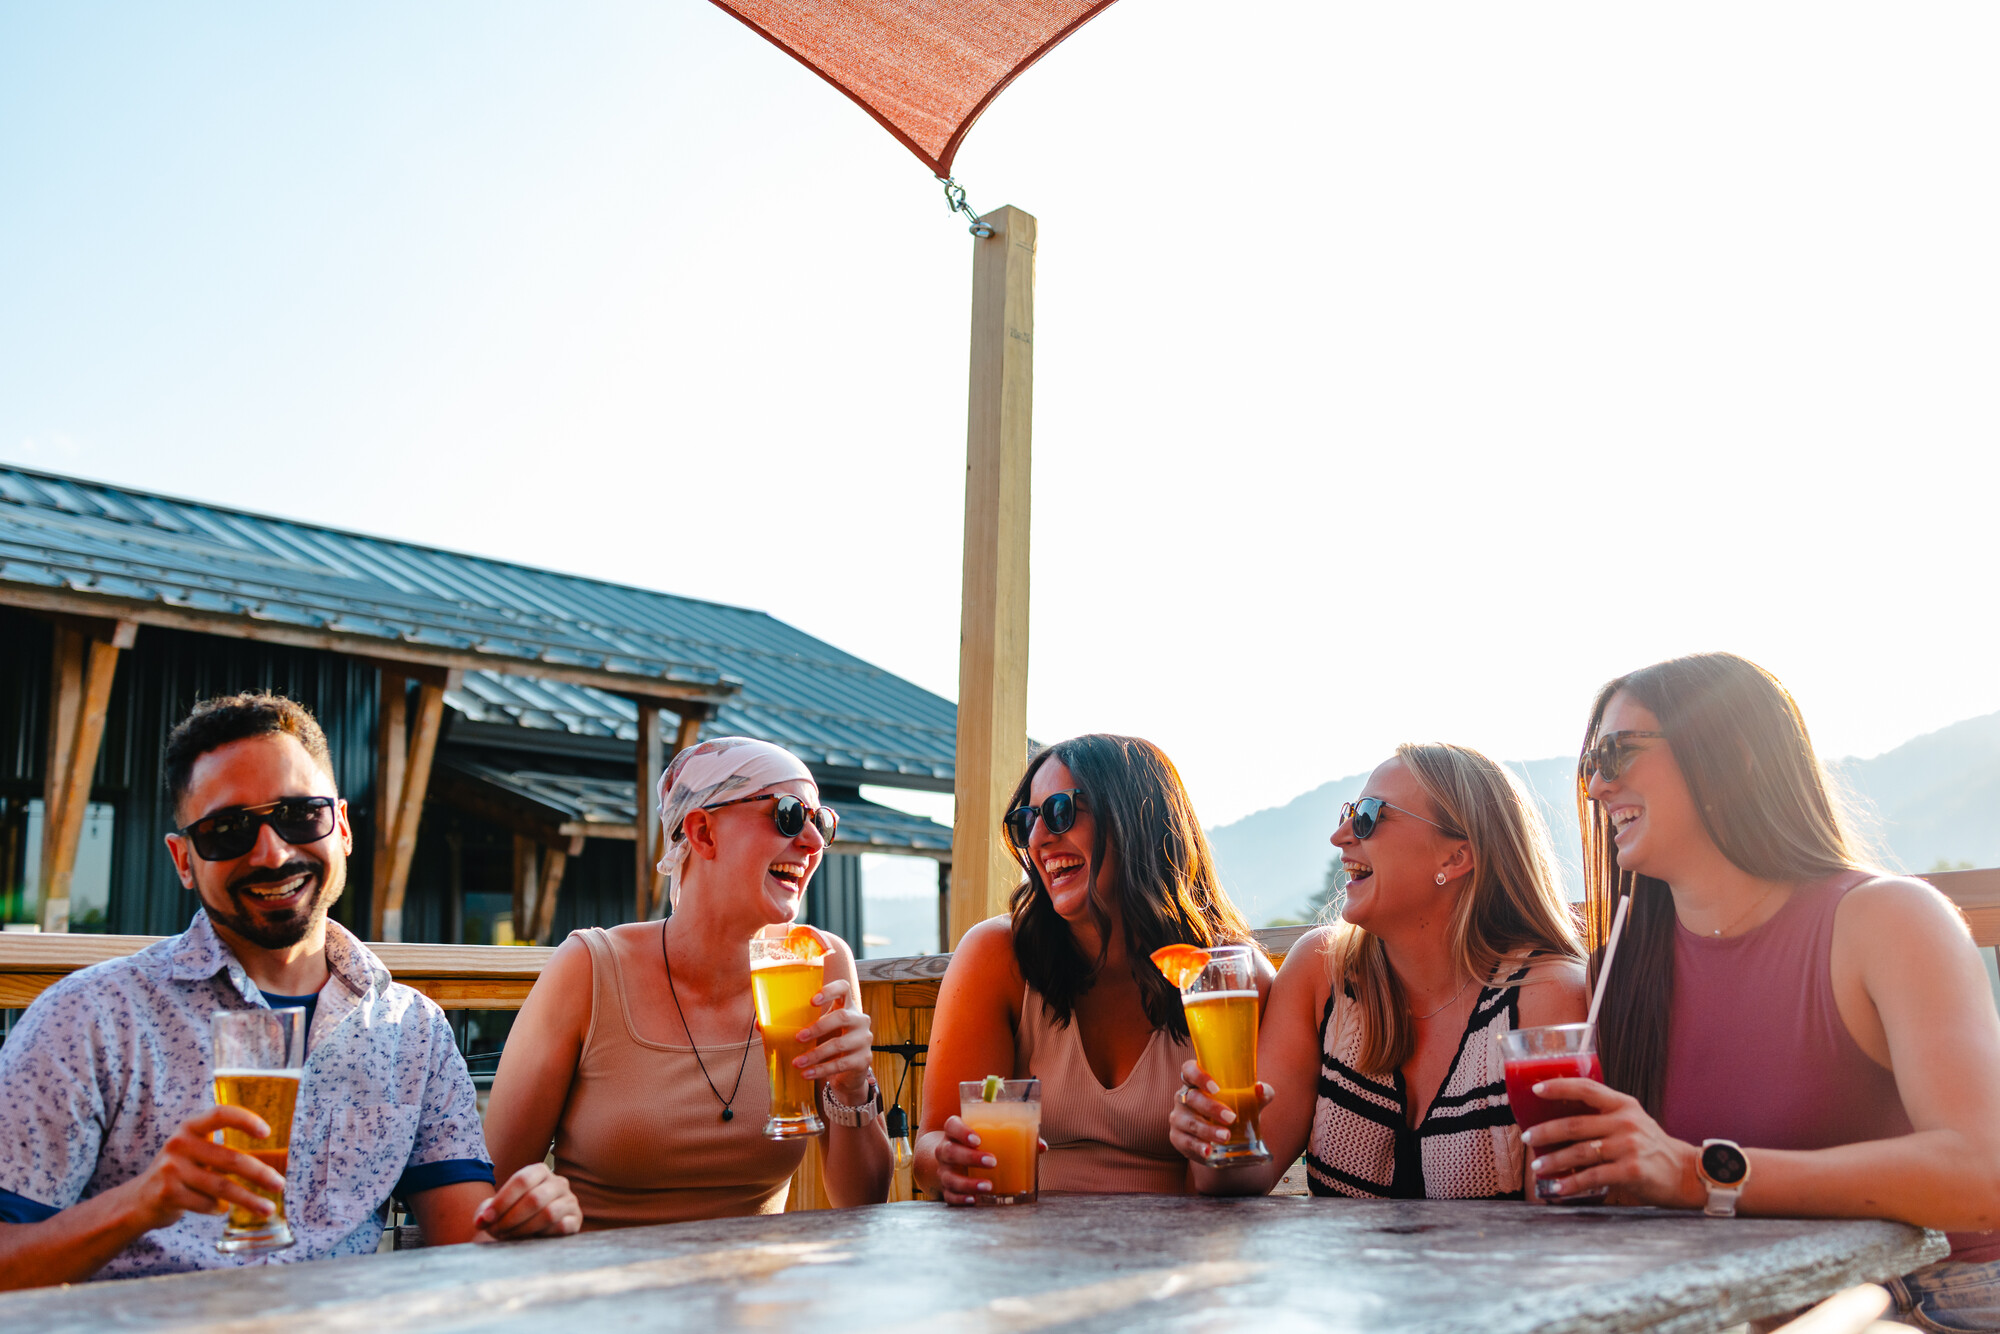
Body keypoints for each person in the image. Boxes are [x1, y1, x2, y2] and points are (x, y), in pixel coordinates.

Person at [0, 693, 579, 1290]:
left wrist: (527, 1223)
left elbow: (469, 1243)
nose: (272, 852)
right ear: (182, 860)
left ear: (343, 827)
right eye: (228, 829)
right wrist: (139, 1205)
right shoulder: (90, 1020)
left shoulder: (413, 1032)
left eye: (301, 814)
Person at [1522, 652, 2000, 1330]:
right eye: (1589, 764)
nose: (1598, 785)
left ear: (1735, 755)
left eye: (1618, 752)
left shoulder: (1886, 919)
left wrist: (1698, 1174)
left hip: (1933, 1297)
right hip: (1742, 1307)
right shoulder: (1617, 974)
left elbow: (1982, 1174)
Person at [484, 737, 891, 1225]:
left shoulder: (817, 962)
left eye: (820, 821)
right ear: (702, 833)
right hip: (604, 1290)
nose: (812, 841)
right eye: (787, 814)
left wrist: (851, 1094)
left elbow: (863, 1202)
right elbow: (494, 1189)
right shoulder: (590, 969)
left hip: (755, 1294)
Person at [1169, 742, 1588, 1198]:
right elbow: (1241, 1177)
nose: (1341, 835)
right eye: (1348, 812)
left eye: (1368, 815)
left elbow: (1557, 1226)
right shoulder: (1322, 973)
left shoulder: (1548, 996)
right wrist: (1213, 1144)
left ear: (1455, 857)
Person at [916, 734, 1270, 1203]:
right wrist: (950, 1160)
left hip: (1177, 1259)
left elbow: (1225, 1190)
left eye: (1060, 811)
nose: (1040, 838)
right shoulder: (998, 955)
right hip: (1025, 1252)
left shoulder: (1228, 981)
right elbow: (930, 1147)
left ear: (1135, 821)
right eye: (1027, 822)